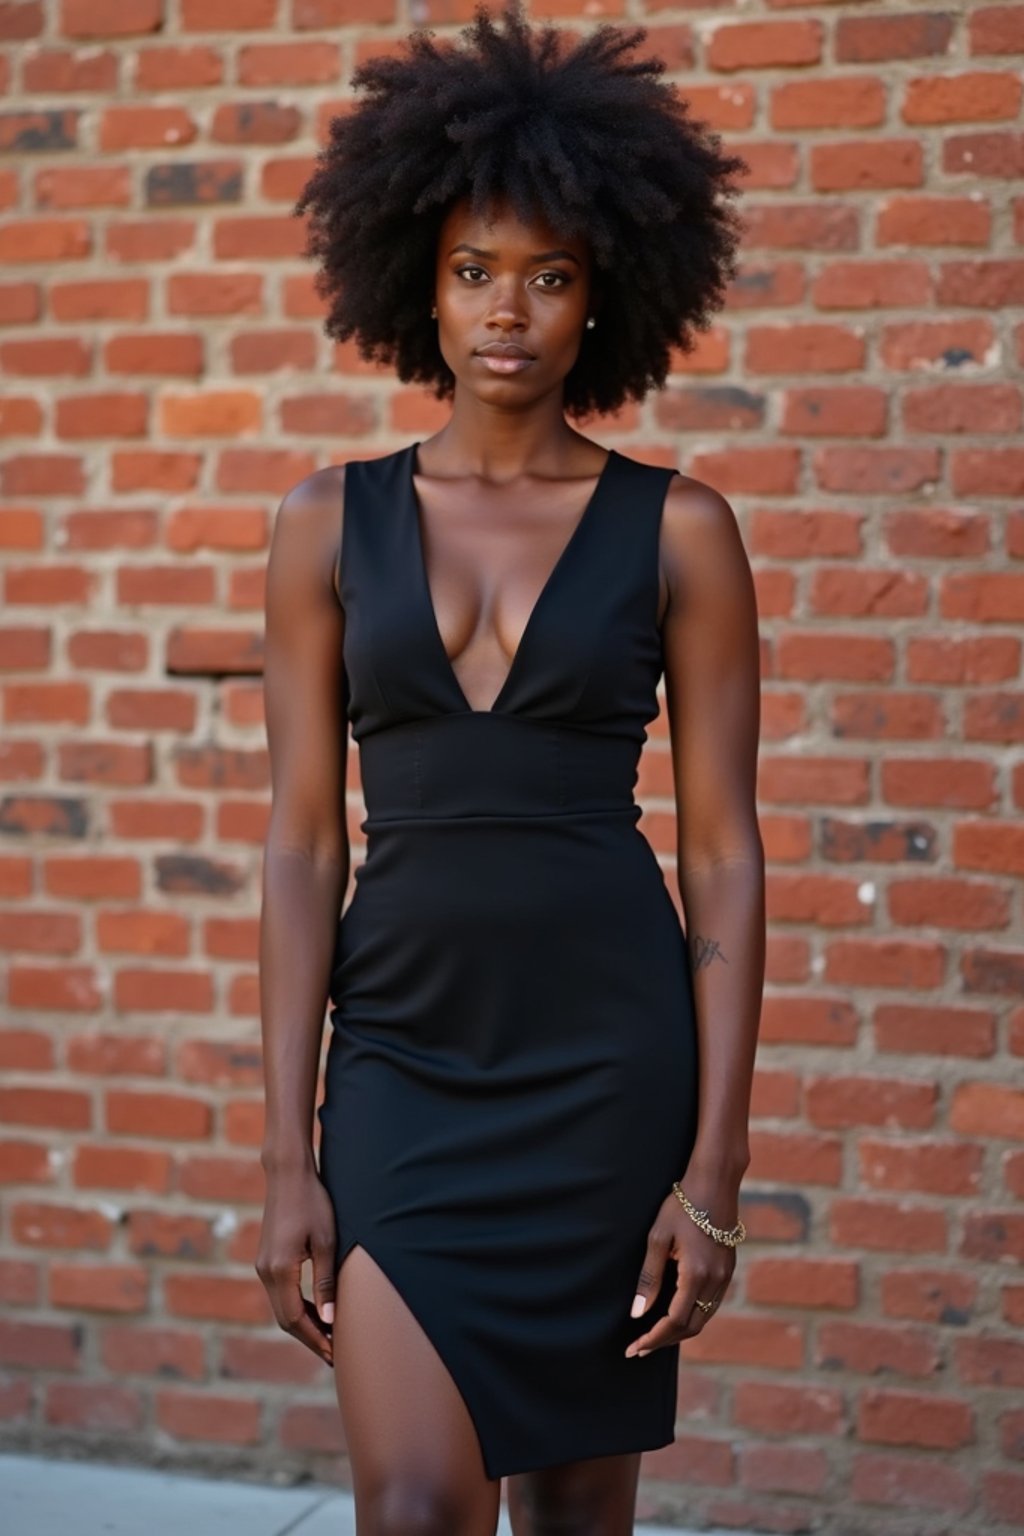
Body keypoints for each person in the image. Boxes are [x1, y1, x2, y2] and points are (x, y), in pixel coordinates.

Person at [255, 4, 764, 1532]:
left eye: (551, 277)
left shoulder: (682, 532)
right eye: (477, 269)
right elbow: (297, 844)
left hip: (608, 1070)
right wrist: (287, 1153)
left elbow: (727, 852)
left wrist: (716, 1167)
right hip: (405, 1056)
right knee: (415, 1505)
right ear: (419, 275)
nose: (509, 312)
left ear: (605, 295)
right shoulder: (321, 525)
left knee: (572, 1521)